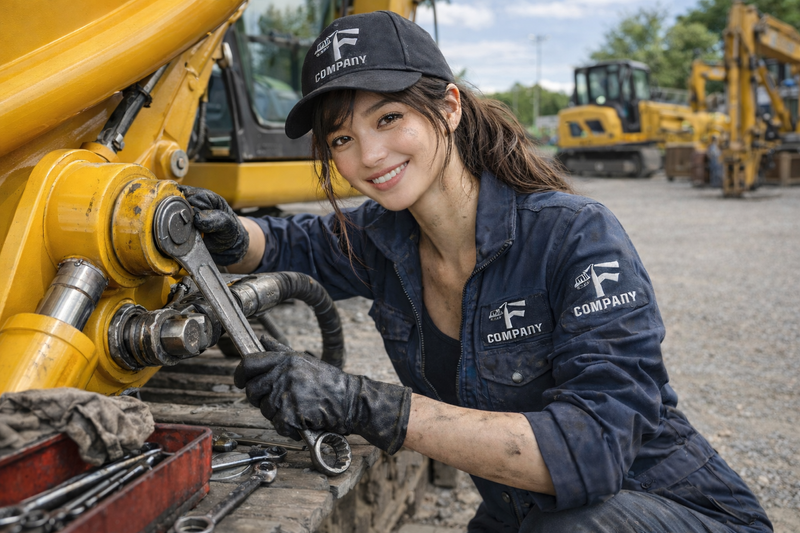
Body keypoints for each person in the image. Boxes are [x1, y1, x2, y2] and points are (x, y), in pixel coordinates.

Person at [180, 11, 772, 533]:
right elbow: (292, 245)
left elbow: (593, 450)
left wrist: (371, 407)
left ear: (449, 107)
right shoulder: (385, 239)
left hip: (674, 512)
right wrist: (228, 234)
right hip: (528, 515)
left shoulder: (574, 235)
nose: (369, 156)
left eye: (388, 118)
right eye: (342, 138)